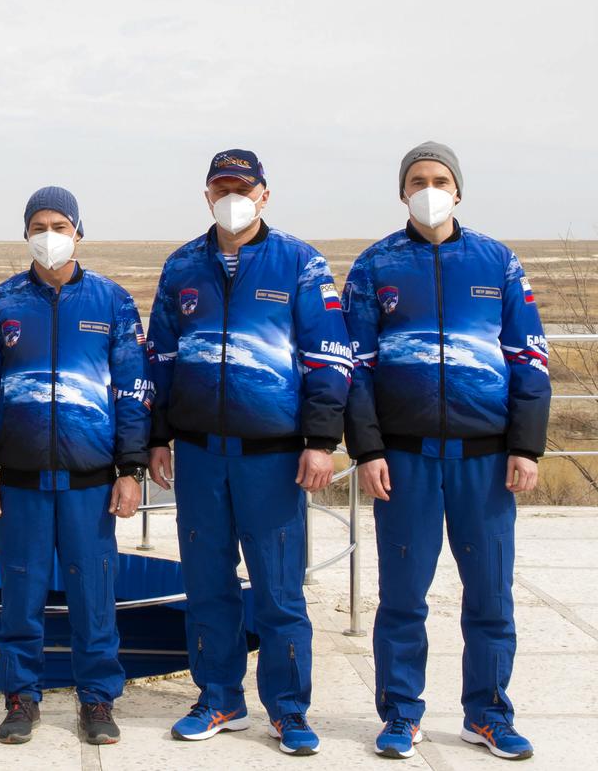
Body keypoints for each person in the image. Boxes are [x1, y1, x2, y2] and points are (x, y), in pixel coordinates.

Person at [343, 142, 550, 761]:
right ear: (401, 192)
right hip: (403, 460)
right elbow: (354, 368)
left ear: (457, 190)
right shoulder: (375, 266)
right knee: (403, 594)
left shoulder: (498, 263)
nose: (428, 189)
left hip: (484, 461)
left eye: (438, 179)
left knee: (489, 593)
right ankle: (400, 714)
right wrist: (370, 449)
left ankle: (487, 713)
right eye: (416, 180)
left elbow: (530, 360)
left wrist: (526, 446)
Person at [146, 149, 351, 756]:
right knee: (207, 584)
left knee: (279, 590)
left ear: (264, 194)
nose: (231, 197)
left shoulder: (300, 263)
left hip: (274, 456)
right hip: (202, 454)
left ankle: (288, 710)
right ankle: (219, 698)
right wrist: (158, 436)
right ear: (207, 195)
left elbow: (329, 357)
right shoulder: (182, 266)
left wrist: (320, 441)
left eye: (243, 186)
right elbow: (158, 359)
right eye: (220, 187)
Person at [0, 186, 149, 746]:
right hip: (18, 485)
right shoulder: (0, 305)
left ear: (78, 232)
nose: (50, 234)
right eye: (40, 224)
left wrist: (130, 468)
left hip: (90, 483)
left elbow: (134, 393)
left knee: (94, 598)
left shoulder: (112, 303)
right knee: (19, 597)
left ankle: (97, 700)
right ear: (26, 233)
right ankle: (21, 697)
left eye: (60, 224)